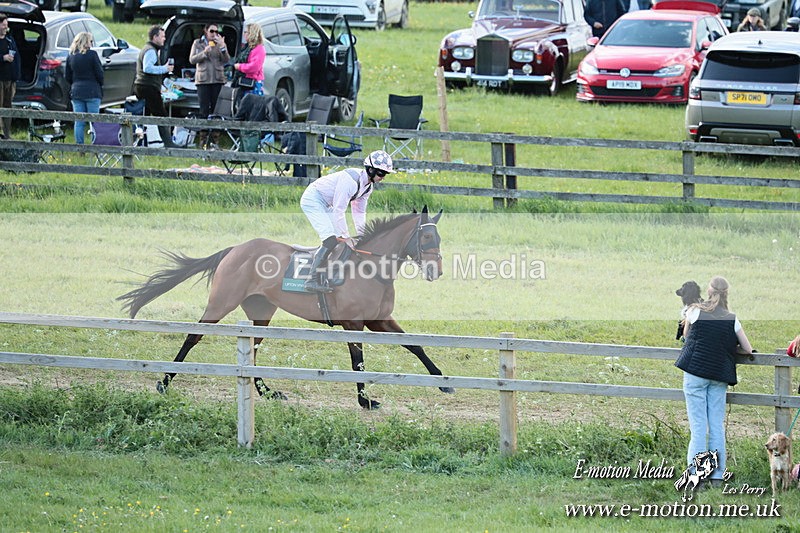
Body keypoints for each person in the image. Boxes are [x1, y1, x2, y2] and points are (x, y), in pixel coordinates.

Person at [675, 276, 753, 486]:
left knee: (699, 426)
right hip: (719, 375)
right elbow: (747, 348)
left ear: (708, 291)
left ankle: (695, 475)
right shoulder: (732, 318)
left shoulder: (694, 311)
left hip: (695, 373)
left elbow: (687, 336)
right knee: (716, 426)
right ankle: (717, 476)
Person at [299, 150, 394, 293]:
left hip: (327, 204)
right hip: (313, 199)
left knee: (340, 241)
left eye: (385, 174)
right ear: (371, 169)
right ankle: (311, 280)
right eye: (381, 173)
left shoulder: (368, 187)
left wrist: (363, 236)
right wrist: (346, 236)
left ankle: (329, 274)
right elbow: (339, 210)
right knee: (331, 239)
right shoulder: (350, 181)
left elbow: (359, 212)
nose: (383, 177)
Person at [134, 25, 177, 148]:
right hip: (147, 87)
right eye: (162, 36)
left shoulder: (148, 48)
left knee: (145, 116)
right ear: (155, 37)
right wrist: (165, 68)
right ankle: (169, 144)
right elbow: (147, 68)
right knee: (161, 114)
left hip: (142, 86)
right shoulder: (150, 50)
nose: (164, 39)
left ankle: (139, 143)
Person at [189, 23, 230, 150]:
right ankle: (203, 139)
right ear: (206, 31)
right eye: (211, 31)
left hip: (217, 80)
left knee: (216, 110)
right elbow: (192, 59)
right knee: (204, 110)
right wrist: (204, 53)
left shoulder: (220, 42)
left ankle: (215, 139)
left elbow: (226, 60)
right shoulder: (198, 43)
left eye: (216, 31)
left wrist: (223, 47)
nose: (214, 34)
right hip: (203, 80)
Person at [65, 32, 103, 147]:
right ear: (86, 42)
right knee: (94, 121)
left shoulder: (71, 55)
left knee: (79, 122)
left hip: (76, 91)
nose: (92, 43)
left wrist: (75, 84)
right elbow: (99, 73)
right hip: (92, 91)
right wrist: (100, 84)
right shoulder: (92, 55)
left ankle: (80, 147)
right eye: (91, 41)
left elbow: (67, 76)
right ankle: (95, 146)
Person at [232, 23, 266, 101]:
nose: (244, 34)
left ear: (252, 33)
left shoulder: (259, 49)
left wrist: (239, 66)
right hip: (243, 81)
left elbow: (254, 67)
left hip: (253, 83)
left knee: (252, 107)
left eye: (246, 32)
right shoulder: (247, 47)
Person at [0, 14, 20, 140]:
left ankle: (7, 135)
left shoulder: (10, 40)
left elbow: (17, 58)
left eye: (7, 25)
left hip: (10, 80)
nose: (5, 28)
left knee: (8, 108)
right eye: (3, 25)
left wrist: (16, 77)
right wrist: (2, 58)